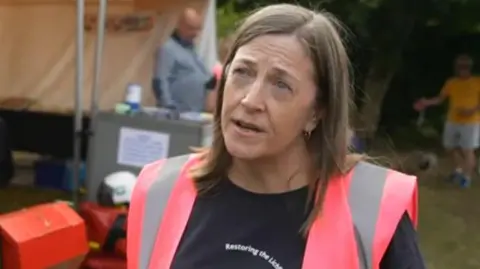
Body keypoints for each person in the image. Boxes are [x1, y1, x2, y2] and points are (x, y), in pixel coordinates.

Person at [129, 4, 424, 269]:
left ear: (317, 112)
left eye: (281, 85)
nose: (250, 100)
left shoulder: (370, 210)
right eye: (243, 72)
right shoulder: (159, 191)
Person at [415, 54, 480, 188]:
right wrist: (426, 102)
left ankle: (466, 178)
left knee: (468, 150)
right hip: (453, 120)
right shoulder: (451, 83)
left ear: (470, 68)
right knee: (449, 147)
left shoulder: (477, 82)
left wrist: (472, 110)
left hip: (471, 121)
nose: (462, 69)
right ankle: (459, 170)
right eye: (460, 67)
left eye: (465, 67)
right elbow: (440, 99)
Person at [152, 8, 217, 113]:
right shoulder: (168, 49)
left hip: (197, 112)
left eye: (198, 29)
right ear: (180, 25)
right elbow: (160, 81)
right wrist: (168, 108)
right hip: (178, 114)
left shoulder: (191, 49)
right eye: (191, 29)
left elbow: (204, 76)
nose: (196, 33)